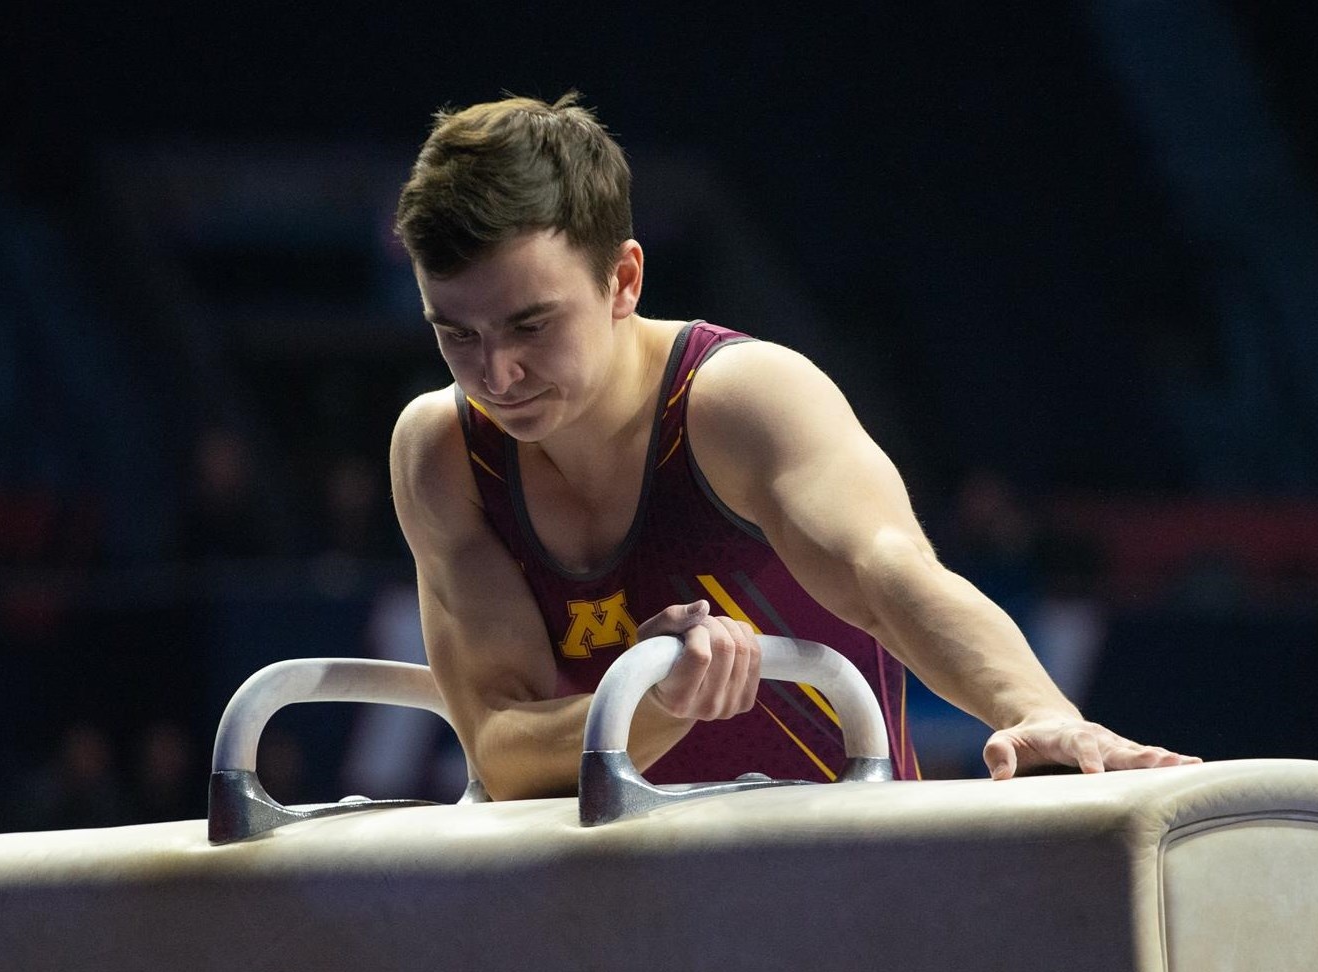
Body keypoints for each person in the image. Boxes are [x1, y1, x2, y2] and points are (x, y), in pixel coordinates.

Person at [387, 93, 1198, 801]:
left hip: (835, 883)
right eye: (455, 332)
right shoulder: (444, 453)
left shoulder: (739, 401)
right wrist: (657, 701)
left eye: (531, 323)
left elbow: (889, 574)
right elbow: (501, 752)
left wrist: (1036, 711)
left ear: (624, 280)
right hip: (620, 916)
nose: (496, 372)